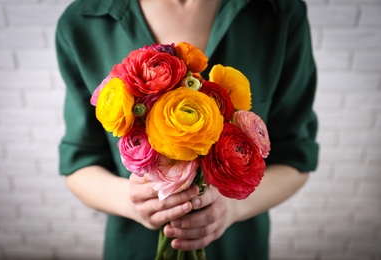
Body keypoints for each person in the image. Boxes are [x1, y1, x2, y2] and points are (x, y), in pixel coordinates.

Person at [56, 0, 319, 259]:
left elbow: (296, 154)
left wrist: (233, 209)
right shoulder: (82, 21)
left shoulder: (280, 12)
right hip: (135, 247)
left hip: (237, 247)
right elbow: (80, 160)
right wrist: (131, 201)